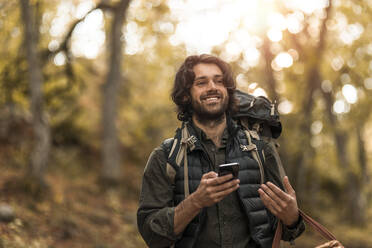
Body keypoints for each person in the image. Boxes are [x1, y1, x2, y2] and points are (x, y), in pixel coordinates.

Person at [137, 54, 305, 248]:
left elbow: (285, 230)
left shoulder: (260, 151)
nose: (212, 87)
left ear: (227, 91)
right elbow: (151, 234)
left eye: (219, 81)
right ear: (185, 95)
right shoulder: (165, 156)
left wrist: (292, 218)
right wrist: (195, 202)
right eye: (201, 82)